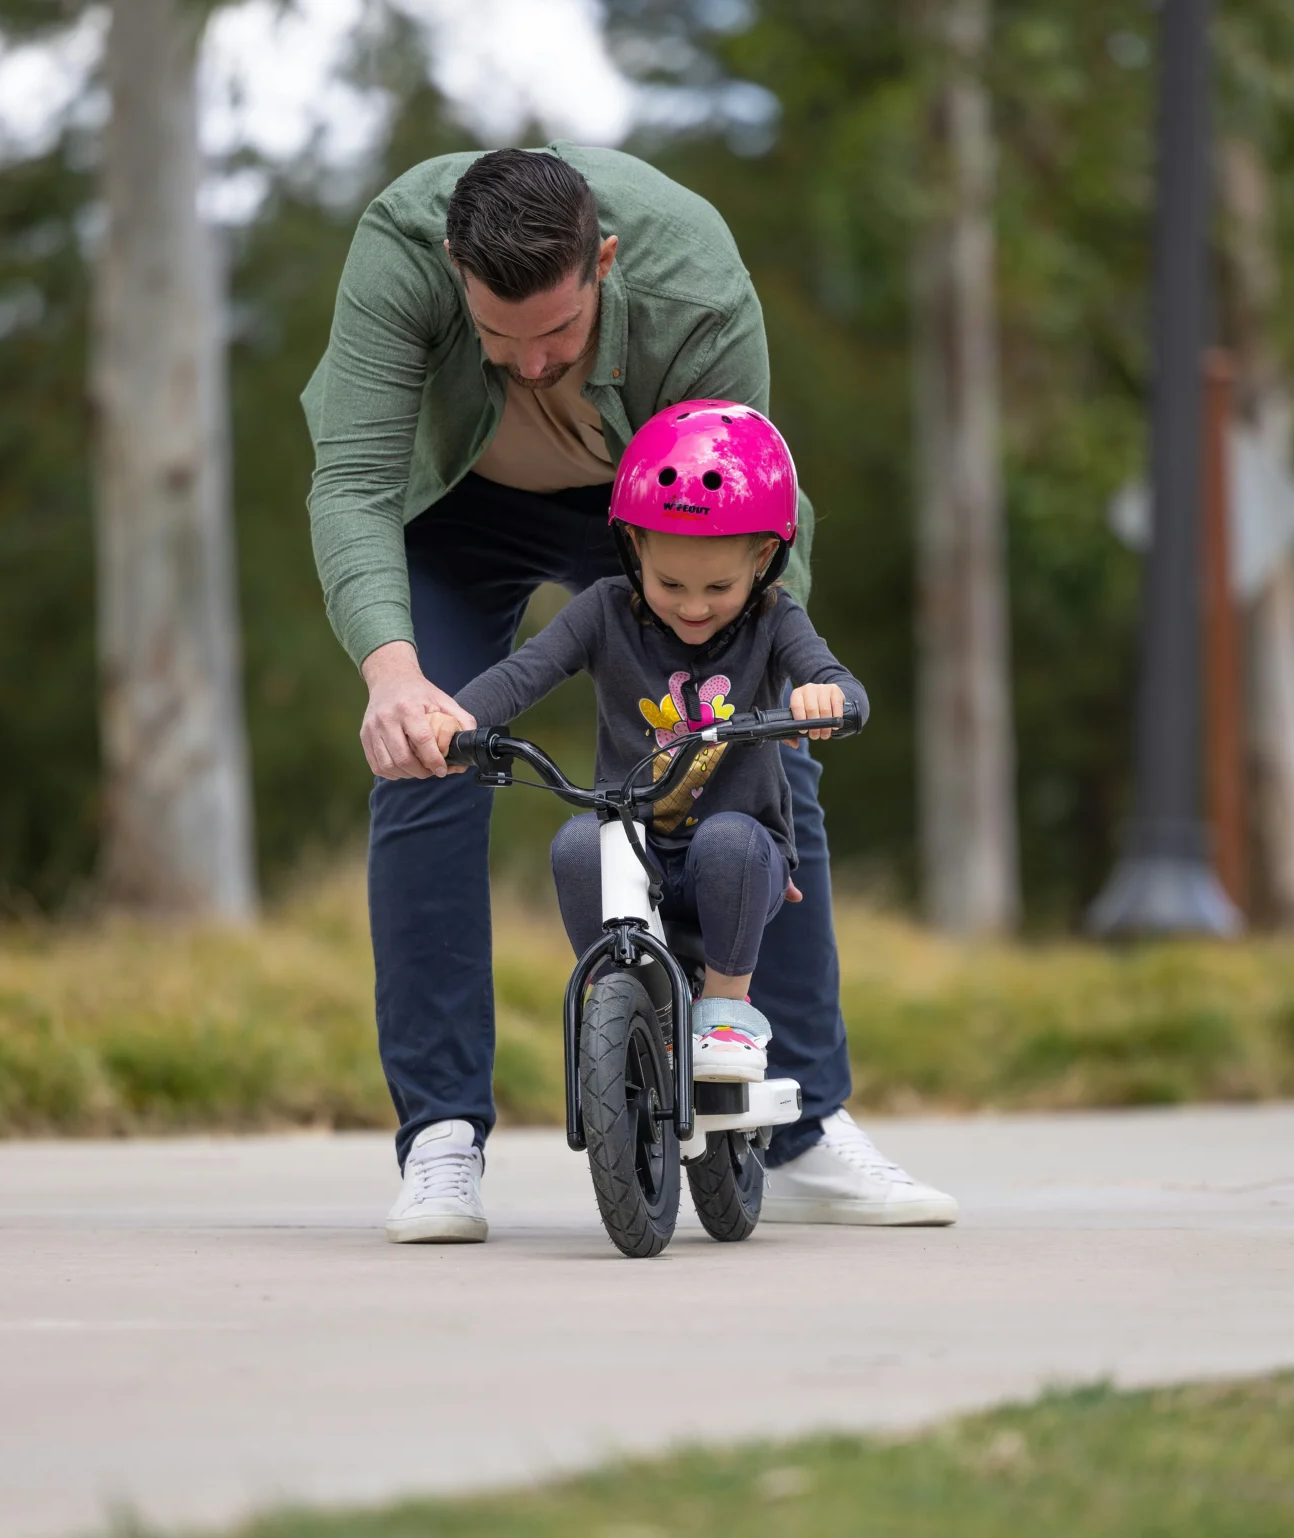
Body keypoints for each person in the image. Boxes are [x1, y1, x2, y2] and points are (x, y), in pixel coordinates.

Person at [301, 144, 957, 1243]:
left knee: (765, 762)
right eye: (497, 339)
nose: (529, 365)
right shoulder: (399, 250)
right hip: (458, 513)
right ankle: (441, 1142)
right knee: (429, 753)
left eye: (557, 333)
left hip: (664, 516)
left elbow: (752, 501)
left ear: (602, 260)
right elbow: (355, 479)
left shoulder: (694, 278)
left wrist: (782, 686)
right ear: (455, 270)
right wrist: (393, 674)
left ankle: (798, 1127)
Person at [430, 400, 861, 1100]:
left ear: (763, 558)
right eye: (670, 584)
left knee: (725, 840)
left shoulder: (775, 621)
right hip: (638, 846)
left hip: (742, 849)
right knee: (577, 844)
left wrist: (825, 698)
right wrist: (454, 718)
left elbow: (841, 685)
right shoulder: (604, 611)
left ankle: (726, 1011)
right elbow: (525, 671)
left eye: (718, 587)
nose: (692, 607)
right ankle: (620, 1006)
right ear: (634, 551)